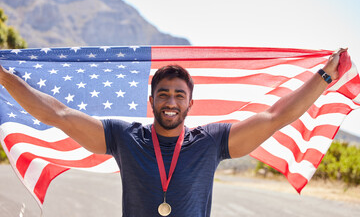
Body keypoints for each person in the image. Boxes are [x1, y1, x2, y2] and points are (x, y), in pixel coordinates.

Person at [0, 48, 346, 216]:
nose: (171, 101)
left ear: (190, 104)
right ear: (151, 100)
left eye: (179, 95)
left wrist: (324, 77)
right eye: (163, 93)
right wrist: (3, 77)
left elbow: (274, 116)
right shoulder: (124, 137)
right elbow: (58, 114)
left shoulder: (211, 142)